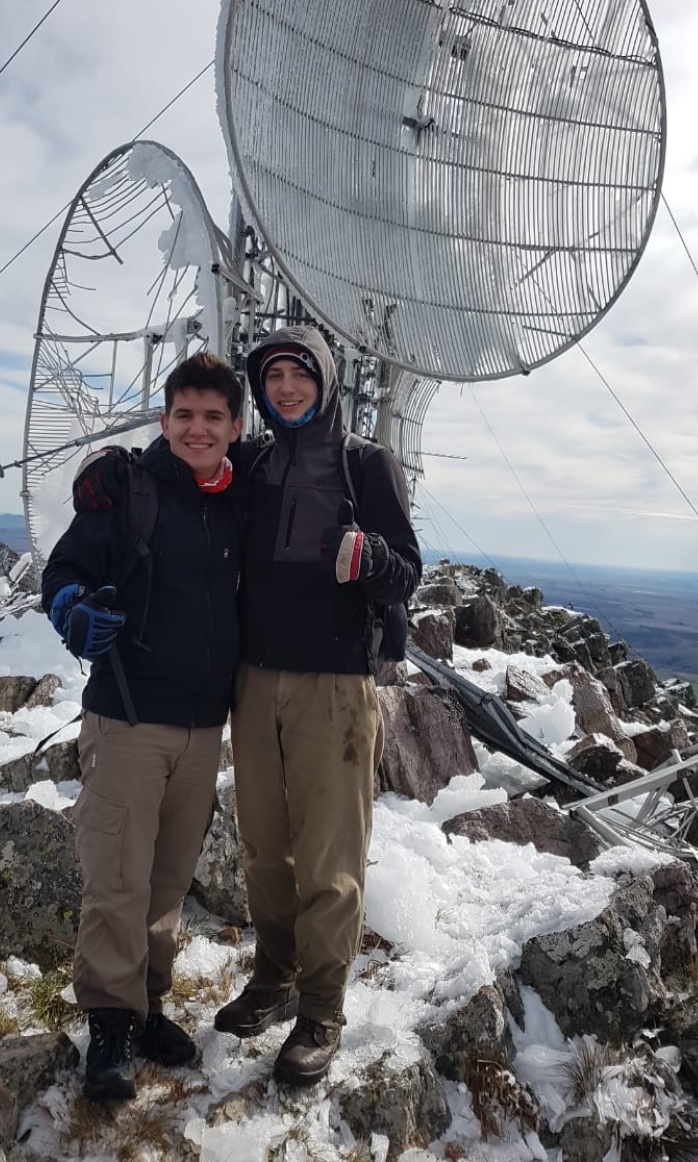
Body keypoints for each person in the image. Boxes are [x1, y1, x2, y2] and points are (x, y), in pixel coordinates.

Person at [213, 326, 421, 1086]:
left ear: (325, 380)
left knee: (330, 856)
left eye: (299, 375)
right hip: (255, 681)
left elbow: (406, 574)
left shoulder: (367, 463)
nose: (286, 389)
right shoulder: (254, 462)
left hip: (334, 687)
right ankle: (273, 979)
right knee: (266, 846)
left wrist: (368, 555)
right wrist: (111, 467)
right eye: (273, 379)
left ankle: (321, 1008)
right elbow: (186, 467)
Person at [41, 352, 244, 1102]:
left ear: (234, 427)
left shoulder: (235, 499)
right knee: (118, 878)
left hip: (202, 728)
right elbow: (62, 571)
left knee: (165, 881)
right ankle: (107, 1025)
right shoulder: (127, 488)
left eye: (212, 416)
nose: (197, 428)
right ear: (164, 421)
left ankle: (148, 1003)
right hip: (128, 718)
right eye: (184, 414)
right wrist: (74, 610)